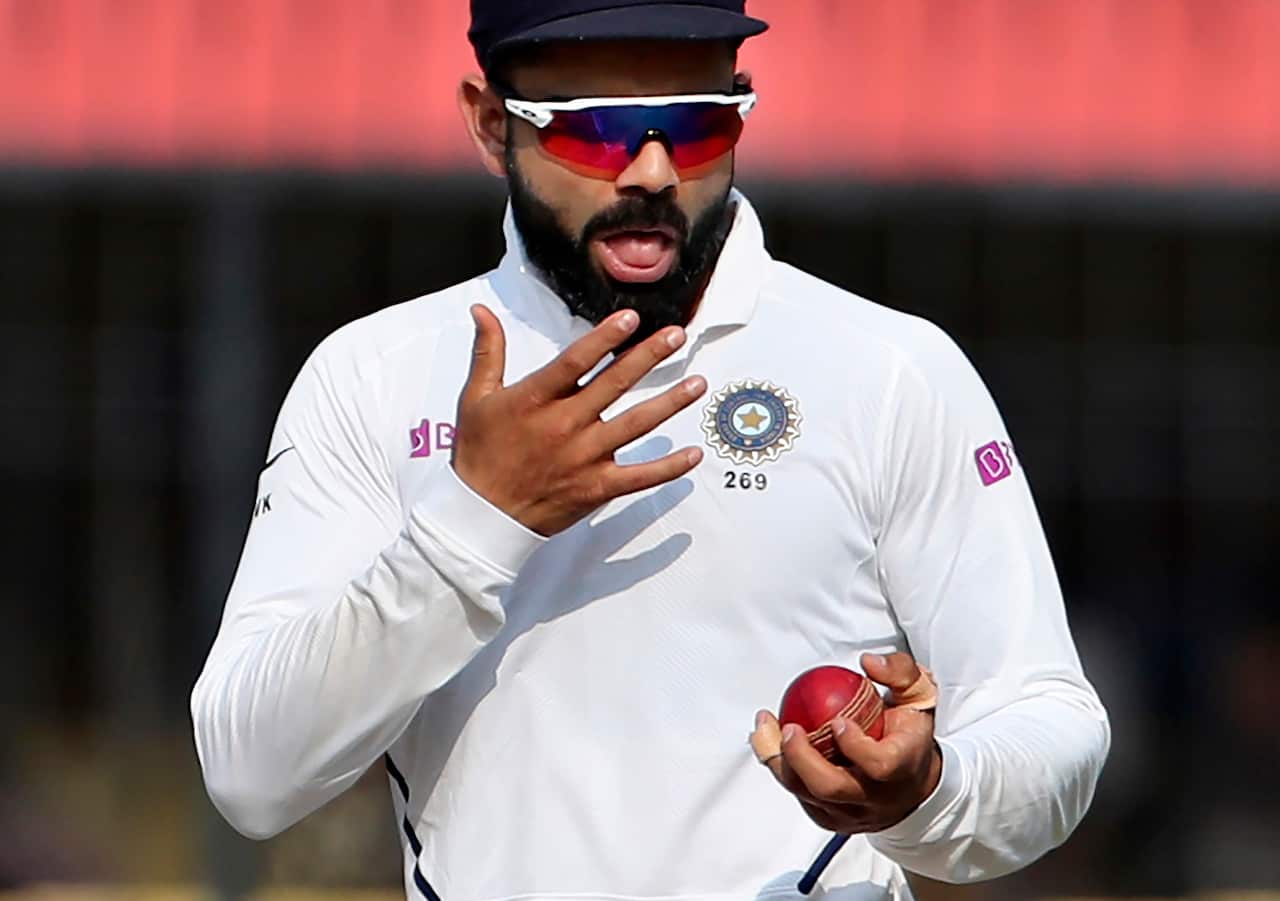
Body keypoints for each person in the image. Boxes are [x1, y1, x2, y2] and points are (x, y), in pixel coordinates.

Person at [191, 2, 1111, 899]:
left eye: (700, 125)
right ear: (487, 124)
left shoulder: (889, 368)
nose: (655, 170)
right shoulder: (376, 377)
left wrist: (929, 791)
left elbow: (1050, 721)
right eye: (597, 130)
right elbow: (251, 774)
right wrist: (472, 524)